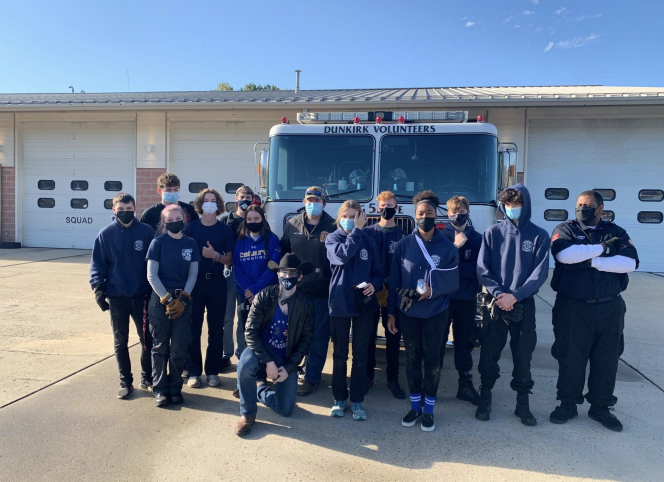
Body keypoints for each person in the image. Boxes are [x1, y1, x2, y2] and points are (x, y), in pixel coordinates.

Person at [548, 190, 639, 432]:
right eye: (579, 204)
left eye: (587, 205)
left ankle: (600, 407)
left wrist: (591, 261)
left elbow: (629, 263)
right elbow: (565, 255)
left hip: (610, 308)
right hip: (573, 307)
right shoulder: (566, 229)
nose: (581, 209)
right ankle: (568, 404)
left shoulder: (616, 232)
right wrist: (604, 249)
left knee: (606, 359)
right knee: (571, 356)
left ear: (600, 209)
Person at [475, 184, 550, 426]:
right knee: (489, 352)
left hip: (523, 304)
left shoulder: (539, 235)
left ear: (525, 205)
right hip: (495, 303)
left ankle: (522, 402)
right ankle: (485, 394)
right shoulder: (492, 233)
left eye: (516, 204)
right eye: (507, 205)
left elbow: (539, 274)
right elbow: (482, 269)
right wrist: (500, 295)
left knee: (523, 354)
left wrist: (515, 296)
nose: (512, 208)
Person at [387, 191, 459, 432]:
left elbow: (453, 281)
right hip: (408, 313)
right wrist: (391, 312)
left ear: (436, 216)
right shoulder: (404, 245)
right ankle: (414, 407)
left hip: (436, 312)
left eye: (429, 213)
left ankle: (429, 410)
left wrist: (431, 291)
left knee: (432, 361)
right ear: (414, 215)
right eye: (420, 213)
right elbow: (394, 280)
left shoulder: (448, 247)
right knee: (412, 359)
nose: (424, 217)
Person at [234, 254, 315, 436]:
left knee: (285, 409)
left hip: (286, 356)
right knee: (244, 365)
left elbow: (306, 340)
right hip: (262, 350)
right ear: (278, 274)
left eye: (292, 273)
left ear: (300, 276)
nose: (287, 276)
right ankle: (247, 414)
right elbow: (250, 332)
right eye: (284, 272)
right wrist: (268, 362)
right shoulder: (264, 296)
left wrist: (289, 367)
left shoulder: (306, 304)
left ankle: (259, 388)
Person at [89, 192, 155, 399]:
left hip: (142, 296)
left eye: (129, 209)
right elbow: (97, 264)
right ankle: (125, 381)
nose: (125, 213)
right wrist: (98, 289)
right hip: (117, 297)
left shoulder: (146, 232)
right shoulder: (106, 234)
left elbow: (155, 262)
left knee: (147, 340)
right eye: (121, 209)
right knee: (120, 342)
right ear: (114, 210)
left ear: (134, 209)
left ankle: (147, 378)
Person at [325, 200, 383, 421]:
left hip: (363, 304)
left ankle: (357, 400)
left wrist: (374, 285)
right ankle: (339, 398)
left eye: (354, 217)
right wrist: (356, 232)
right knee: (340, 354)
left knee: (361, 354)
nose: (350, 220)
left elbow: (378, 272)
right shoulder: (332, 239)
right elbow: (343, 255)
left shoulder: (369, 241)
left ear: (362, 218)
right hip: (340, 302)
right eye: (346, 216)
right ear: (339, 218)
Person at [280, 186, 337, 397]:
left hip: (323, 291)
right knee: (294, 335)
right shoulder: (292, 224)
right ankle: (291, 372)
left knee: (318, 338)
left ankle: (312, 378)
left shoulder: (333, 226)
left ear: (324, 203)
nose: (313, 204)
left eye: (317, 201)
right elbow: (284, 254)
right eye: (309, 201)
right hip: (297, 292)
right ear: (304, 202)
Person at [145, 204, 200, 407]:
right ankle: (160, 389)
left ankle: (175, 388)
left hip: (183, 300)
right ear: (164, 222)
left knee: (178, 348)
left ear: (184, 220)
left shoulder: (191, 243)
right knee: (160, 348)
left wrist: (183, 299)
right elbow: (151, 275)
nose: (174, 222)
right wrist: (168, 300)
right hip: (161, 300)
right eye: (169, 220)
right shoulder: (157, 243)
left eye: (178, 218)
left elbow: (193, 273)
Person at [184, 188, 234, 389]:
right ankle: (194, 372)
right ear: (200, 204)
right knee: (193, 328)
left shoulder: (224, 230)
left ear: (219, 205)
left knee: (216, 328)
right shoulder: (190, 228)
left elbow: (230, 259)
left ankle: (213, 371)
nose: (210, 204)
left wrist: (215, 256)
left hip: (216, 282)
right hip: (194, 284)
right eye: (206, 200)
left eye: (213, 200)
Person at [362, 191, 407, 399]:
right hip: (371, 292)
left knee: (393, 337)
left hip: (393, 294)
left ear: (397, 208)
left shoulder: (403, 237)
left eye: (390, 206)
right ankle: (367, 376)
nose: (386, 209)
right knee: (368, 337)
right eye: (382, 206)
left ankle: (393, 379)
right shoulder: (367, 233)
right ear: (377, 208)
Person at [440, 196, 483, 405]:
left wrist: (453, 265)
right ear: (448, 213)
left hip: (466, 299)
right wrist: (455, 250)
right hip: (443, 299)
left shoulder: (477, 238)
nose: (458, 214)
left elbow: (477, 270)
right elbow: (438, 267)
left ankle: (465, 384)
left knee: (464, 343)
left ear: (468, 212)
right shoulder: (441, 237)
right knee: (437, 341)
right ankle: (431, 384)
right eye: (454, 211)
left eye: (462, 210)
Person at [232, 205, 282, 359]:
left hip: (267, 295)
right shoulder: (240, 242)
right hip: (246, 296)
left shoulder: (272, 240)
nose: (253, 222)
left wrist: (256, 290)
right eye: (249, 219)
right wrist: (248, 291)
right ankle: (249, 364)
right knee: (248, 332)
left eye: (256, 218)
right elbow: (237, 269)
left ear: (262, 219)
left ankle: (269, 363)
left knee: (268, 332)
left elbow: (273, 267)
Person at [221, 185, 257, 367]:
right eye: (242, 197)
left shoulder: (255, 220)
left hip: (248, 275)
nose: (245, 200)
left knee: (244, 316)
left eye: (248, 198)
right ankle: (225, 354)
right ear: (236, 199)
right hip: (229, 273)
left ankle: (242, 353)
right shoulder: (227, 221)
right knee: (227, 317)